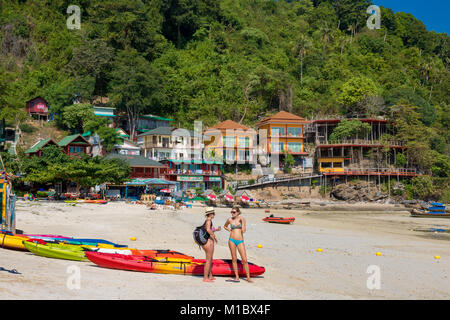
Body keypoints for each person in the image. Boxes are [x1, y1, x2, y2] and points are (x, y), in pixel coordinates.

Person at [224, 207, 253, 283]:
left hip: (240, 241)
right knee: (234, 259)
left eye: (234, 212)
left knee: (245, 259)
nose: (232, 213)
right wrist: (229, 230)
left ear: (238, 213)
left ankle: (248, 277)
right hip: (231, 240)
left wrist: (243, 223)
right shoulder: (229, 220)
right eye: (231, 212)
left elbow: (244, 231)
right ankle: (237, 277)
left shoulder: (242, 219)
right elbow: (225, 226)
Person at [201, 207, 221, 282]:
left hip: (207, 242)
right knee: (208, 260)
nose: (214, 215)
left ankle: (210, 275)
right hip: (208, 242)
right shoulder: (209, 220)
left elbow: (208, 229)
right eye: (213, 213)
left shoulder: (207, 220)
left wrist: (216, 230)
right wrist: (214, 236)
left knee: (210, 259)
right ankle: (205, 278)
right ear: (211, 214)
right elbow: (208, 229)